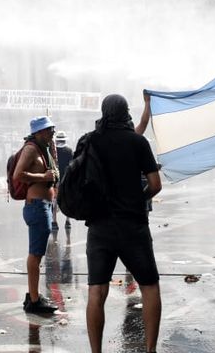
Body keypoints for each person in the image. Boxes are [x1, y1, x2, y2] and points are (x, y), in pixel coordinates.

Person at [83, 93, 162, 353]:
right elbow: (155, 185)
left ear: (103, 113)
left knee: (97, 291)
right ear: (126, 112)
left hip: (99, 227)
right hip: (133, 225)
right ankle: (150, 349)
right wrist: (138, 199)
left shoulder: (90, 141)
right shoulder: (138, 143)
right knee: (149, 287)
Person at [12, 115, 60, 316]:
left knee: (37, 252)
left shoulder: (45, 148)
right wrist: (43, 177)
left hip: (44, 206)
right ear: (38, 132)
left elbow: (55, 172)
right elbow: (18, 174)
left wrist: (54, 152)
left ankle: (32, 294)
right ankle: (34, 300)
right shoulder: (31, 149)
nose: (52, 132)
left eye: (52, 129)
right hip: (37, 207)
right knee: (36, 254)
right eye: (48, 130)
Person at [52, 130, 73, 232]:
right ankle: (68, 221)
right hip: (66, 180)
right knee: (67, 200)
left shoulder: (53, 152)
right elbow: (72, 165)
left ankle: (54, 222)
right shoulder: (69, 151)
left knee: (55, 200)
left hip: (56, 180)